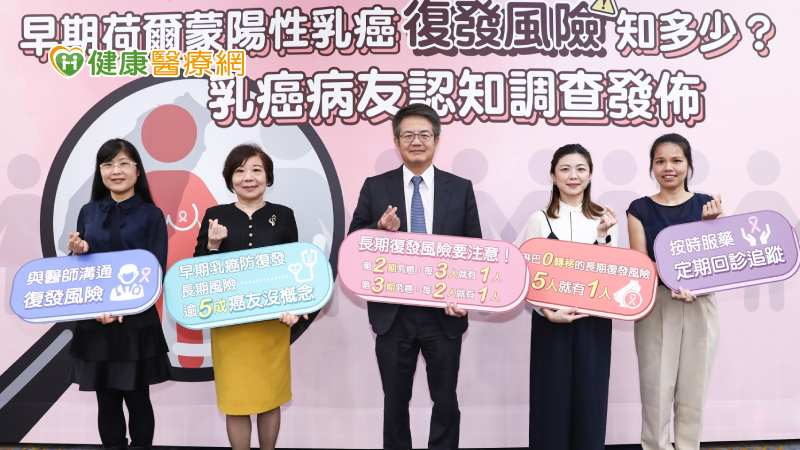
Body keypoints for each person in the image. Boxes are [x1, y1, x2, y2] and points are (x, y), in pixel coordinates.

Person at [349, 103, 482, 450]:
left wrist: (464, 296)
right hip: (394, 315)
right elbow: (353, 245)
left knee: (446, 400)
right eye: (408, 135)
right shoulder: (376, 187)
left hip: (444, 314)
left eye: (424, 134)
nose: (416, 141)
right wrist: (379, 228)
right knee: (395, 403)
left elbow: (475, 250)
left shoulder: (460, 188)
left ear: (437, 140)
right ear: (396, 142)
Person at [193, 144, 303, 450]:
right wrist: (213, 245)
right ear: (230, 178)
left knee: (270, 397)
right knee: (236, 399)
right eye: (240, 171)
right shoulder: (215, 215)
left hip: (271, 323)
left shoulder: (283, 216)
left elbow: (294, 268)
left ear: (268, 176)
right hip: (230, 324)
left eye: (256, 170)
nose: (248, 177)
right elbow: (198, 273)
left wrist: (294, 306)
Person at [67, 138, 170, 450]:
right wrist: (78, 251)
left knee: (138, 398)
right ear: (100, 171)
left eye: (124, 163)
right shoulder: (88, 212)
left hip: (135, 322)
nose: (116, 171)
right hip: (96, 321)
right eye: (108, 164)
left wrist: (125, 307)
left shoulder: (151, 214)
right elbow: (80, 270)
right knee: (106, 400)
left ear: (137, 171)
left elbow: (155, 268)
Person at [627, 133, 722, 450]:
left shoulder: (707, 205)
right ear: (652, 167)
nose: (669, 167)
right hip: (656, 305)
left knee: (694, 389)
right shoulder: (639, 209)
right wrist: (672, 280)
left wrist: (711, 225)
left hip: (700, 303)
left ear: (689, 165)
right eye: (660, 161)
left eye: (676, 160)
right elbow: (641, 265)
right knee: (656, 389)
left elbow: (721, 260)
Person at [519, 144, 617, 450]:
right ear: (553, 176)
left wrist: (603, 235)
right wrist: (544, 310)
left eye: (580, 169)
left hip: (594, 323)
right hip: (551, 323)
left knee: (591, 401)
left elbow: (616, 275)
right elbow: (521, 274)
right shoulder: (539, 219)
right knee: (551, 403)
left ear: (590, 175)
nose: (573, 176)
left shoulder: (605, 218)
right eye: (565, 169)